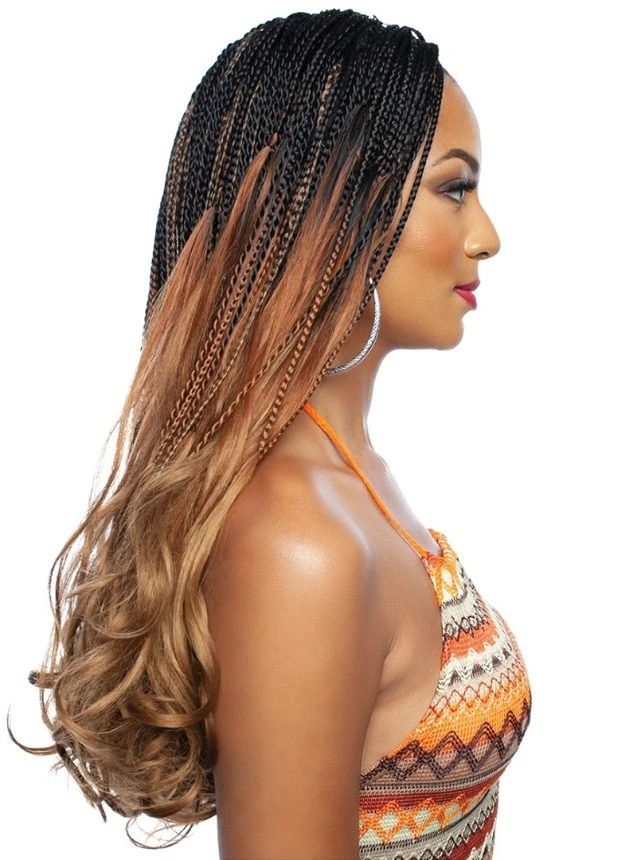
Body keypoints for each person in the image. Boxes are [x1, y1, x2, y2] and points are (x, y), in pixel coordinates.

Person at [8, 9, 532, 858]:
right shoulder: (300, 542)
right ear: (333, 208)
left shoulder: (351, 475)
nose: (487, 236)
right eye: (453, 188)